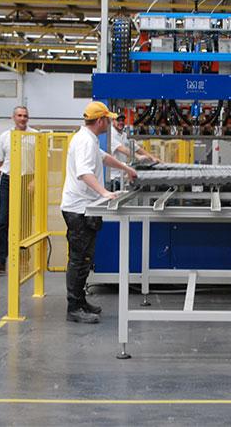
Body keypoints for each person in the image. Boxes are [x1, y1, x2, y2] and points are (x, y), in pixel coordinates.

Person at [60, 101, 138, 324]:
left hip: (86, 207)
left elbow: (104, 157)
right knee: (78, 259)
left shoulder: (89, 139)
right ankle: (73, 308)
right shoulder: (84, 141)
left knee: (85, 258)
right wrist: (105, 192)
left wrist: (127, 168)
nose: (111, 123)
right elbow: (84, 172)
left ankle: (81, 302)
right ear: (101, 121)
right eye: (109, 119)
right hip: (79, 209)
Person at [0, 106, 36, 275]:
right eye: (19, 116)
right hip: (8, 180)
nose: (23, 119)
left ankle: (23, 257)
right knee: (3, 220)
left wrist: (35, 180)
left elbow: (43, 162)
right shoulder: (5, 137)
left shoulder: (35, 137)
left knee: (25, 221)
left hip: (27, 180)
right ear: (13, 117)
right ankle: (0, 260)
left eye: (25, 116)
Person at [109, 112, 159, 190]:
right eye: (118, 120)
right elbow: (121, 148)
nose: (121, 122)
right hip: (113, 177)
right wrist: (138, 156)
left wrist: (153, 158)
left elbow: (137, 148)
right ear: (112, 121)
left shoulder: (124, 135)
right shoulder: (110, 134)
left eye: (122, 120)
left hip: (123, 175)